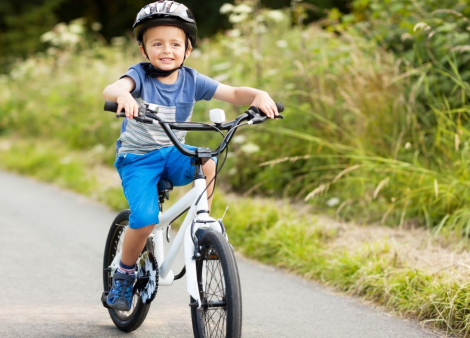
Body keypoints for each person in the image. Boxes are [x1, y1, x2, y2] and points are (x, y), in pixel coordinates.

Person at [103, 0, 278, 311]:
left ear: (188, 50)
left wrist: (258, 96)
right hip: (138, 159)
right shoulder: (139, 76)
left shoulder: (192, 80)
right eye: (157, 43)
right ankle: (124, 273)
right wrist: (124, 96)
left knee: (207, 161)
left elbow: (235, 93)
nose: (166, 50)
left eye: (175, 44)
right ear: (144, 50)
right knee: (144, 220)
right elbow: (112, 89)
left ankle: (204, 225)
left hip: (172, 152)